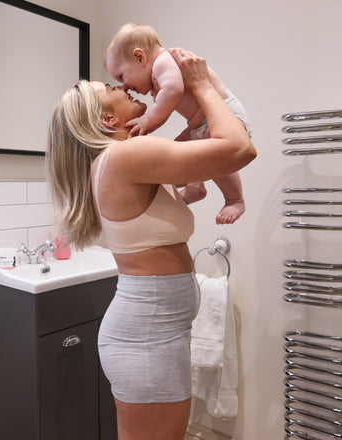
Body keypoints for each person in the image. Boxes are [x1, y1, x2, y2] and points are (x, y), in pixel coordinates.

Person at [47, 48, 256, 440]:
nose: (123, 85)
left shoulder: (121, 158)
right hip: (147, 340)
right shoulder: (125, 156)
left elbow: (206, 144)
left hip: (156, 334)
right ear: (107, 118)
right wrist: (200, 86)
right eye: (110, 87)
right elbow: (240, 148)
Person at [105, 23, 252, 225]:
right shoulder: (159, 79)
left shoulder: (163, 62)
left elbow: (173, 91)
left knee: (216, 157)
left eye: (122, 76)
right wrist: (145, 127)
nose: (124, 86)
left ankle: (235, 199)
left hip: (227, 116)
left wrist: (147, 121)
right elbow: (163, 111)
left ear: (140, 57)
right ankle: (195, 187)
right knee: (184, 149)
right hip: (198, 125)